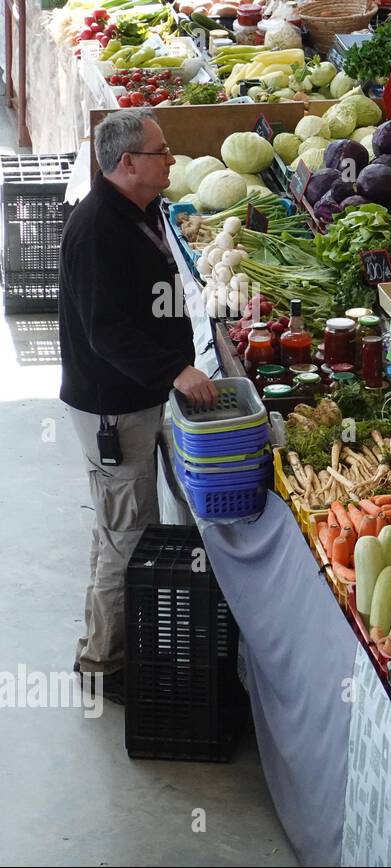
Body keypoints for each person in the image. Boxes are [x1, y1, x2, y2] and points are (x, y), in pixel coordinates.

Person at [59, 107, 218, 702]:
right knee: (126, 534)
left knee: (117, 528)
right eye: (162, 151)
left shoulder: (138, 209)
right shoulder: (98, 229)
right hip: (112, 407)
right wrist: (174, 370)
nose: (172, 158)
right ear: (127, 164)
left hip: (133, 397)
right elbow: (107, 332)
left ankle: (110, 648)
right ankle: (104, 662)